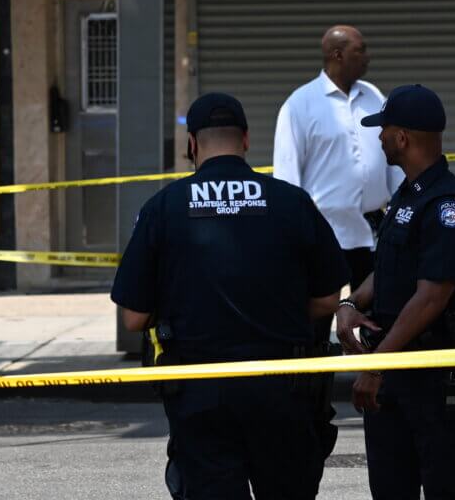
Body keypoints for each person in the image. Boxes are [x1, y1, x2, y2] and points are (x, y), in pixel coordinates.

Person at [111, 92, 349, 500]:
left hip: (199, 390)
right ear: (245, 140)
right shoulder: (292, 202)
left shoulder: (163, 207)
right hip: (282, 388)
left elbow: (133, 318)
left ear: (191, 144)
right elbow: (329, 299)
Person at [336, 84, 455, 500]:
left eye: (383, 129)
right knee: (390, 487)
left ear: (402, 138)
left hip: (432, 376)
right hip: (394, 368)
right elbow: (388, 271)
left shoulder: (447, 206)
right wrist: (350, 304)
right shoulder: (405, 196)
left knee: (445, 486)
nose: (379, 136)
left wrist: (375, 368)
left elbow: (430, 297)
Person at [274, 25, 403, 293]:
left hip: (372, 234)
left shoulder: (373, 96)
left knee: (373, 317)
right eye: (360, 50)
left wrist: (400, 203)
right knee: (320, 317)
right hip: (325, 234)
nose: (368, 57)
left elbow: (393, 159)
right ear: (337, 55)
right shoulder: (300, 105)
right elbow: (287, 176)